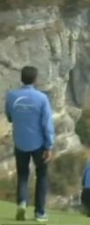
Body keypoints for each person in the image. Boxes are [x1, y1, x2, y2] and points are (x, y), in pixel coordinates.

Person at [5, 66, 55, 222]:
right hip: (38, 144)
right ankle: (40, 213)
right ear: (35, 79)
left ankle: (21, 202)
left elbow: (9, 116)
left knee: (22, 175)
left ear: (21, 78)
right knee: (42, 176)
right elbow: (47, 124)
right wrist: (49, 146)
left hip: (20, 142)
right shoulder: (41, 98)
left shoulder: (12, 96)